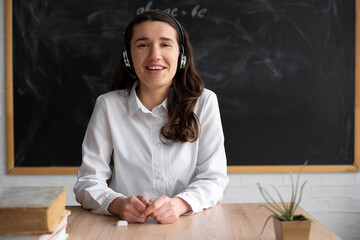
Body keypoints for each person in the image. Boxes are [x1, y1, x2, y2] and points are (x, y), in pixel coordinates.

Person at [74, 10, 228, 224]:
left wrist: (179, 204)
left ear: (181, 55)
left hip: (187, 226)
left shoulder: (204, 103)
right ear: (128, 57)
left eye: (165, 44)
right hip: (124, 229)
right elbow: (88, 181)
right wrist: (117, 204)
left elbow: (213, 178)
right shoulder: (108, 106)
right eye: (143, 45)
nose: (155, 55)